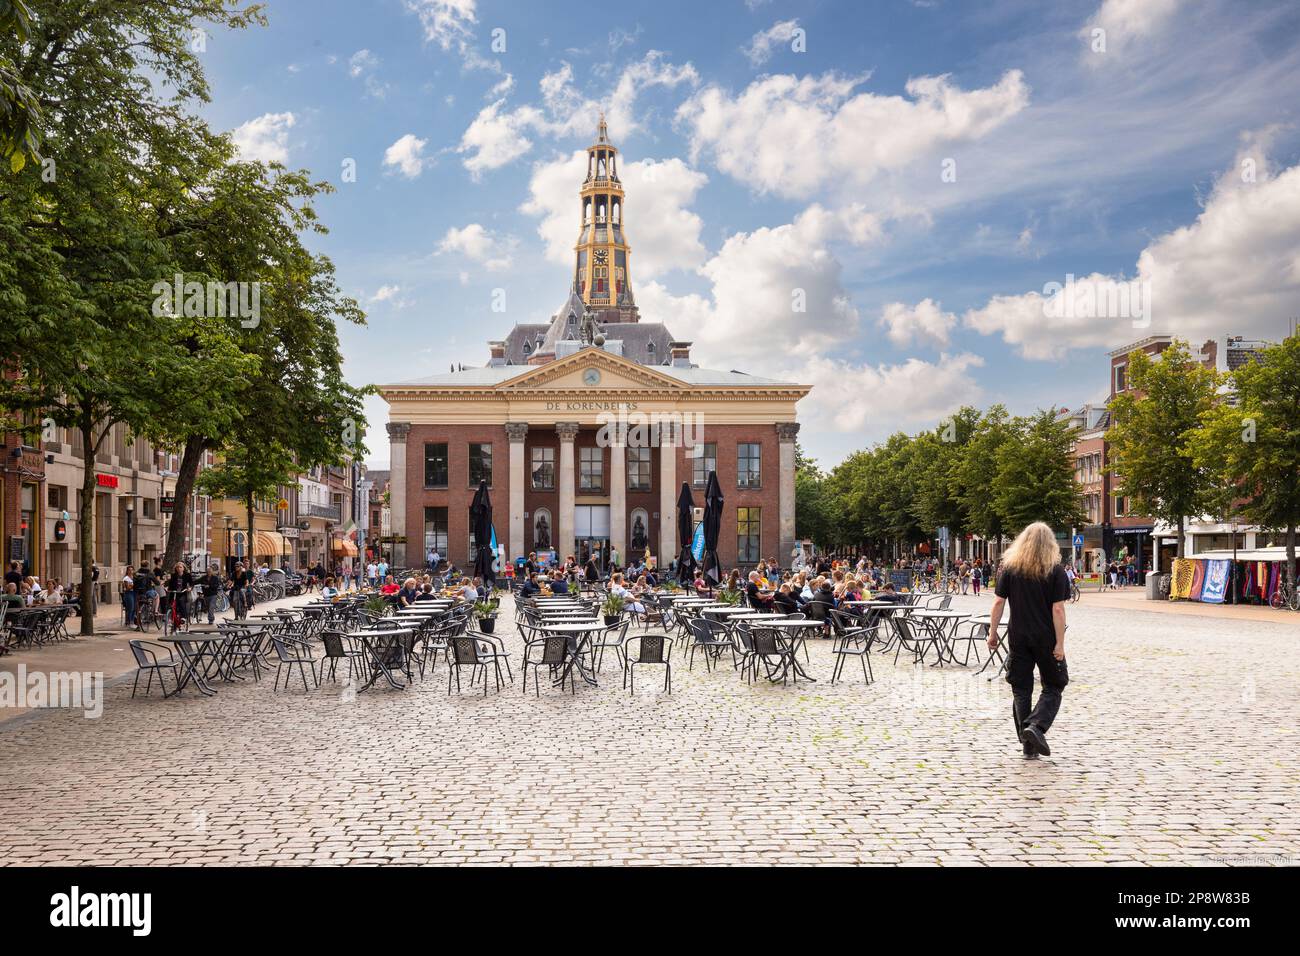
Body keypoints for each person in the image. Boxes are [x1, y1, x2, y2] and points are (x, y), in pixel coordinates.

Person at [988, 522, 1070, 760]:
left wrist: (992, 633)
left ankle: (1027, 744)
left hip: (1018, 637)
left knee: (1021, 689)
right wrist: (1060, 644)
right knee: (1055, 685)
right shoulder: (1055, 571)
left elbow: (998, 602)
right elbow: (1058, 610)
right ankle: (1036, 726)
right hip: (1046, 638)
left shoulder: (1010, 569)